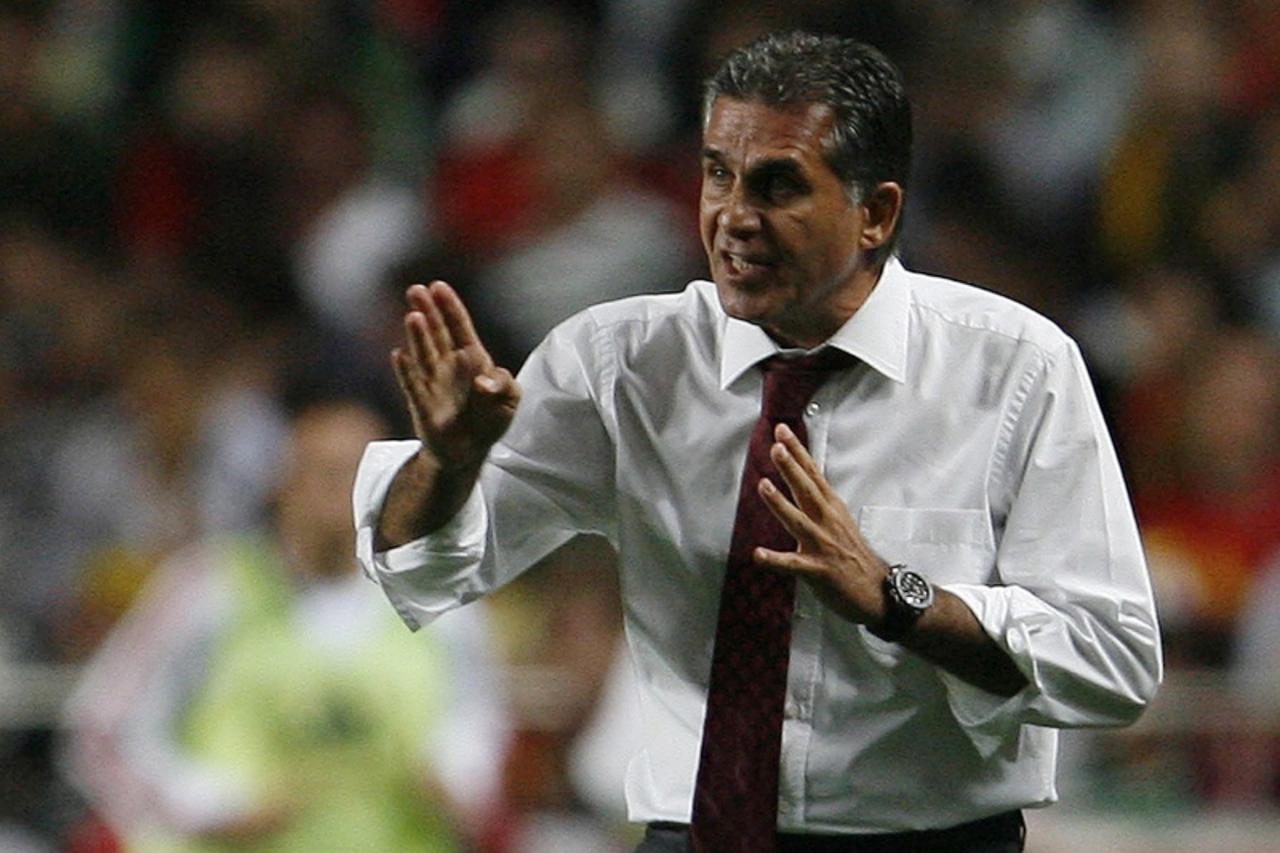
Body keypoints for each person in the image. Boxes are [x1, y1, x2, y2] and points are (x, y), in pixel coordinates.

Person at [354, 31, 1161, 852]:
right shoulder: (619, 365)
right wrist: (446, 466)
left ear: (876, 213)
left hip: (929, 838)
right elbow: (423, 565)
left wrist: (898, 601)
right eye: (717, 174)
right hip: (691, 834)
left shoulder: (1016, 367)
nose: (733, 217)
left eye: (778, 185)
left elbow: (1112, 660)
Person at [64, 396, 510, 852]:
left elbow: (475, 726)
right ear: (282, 483)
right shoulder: (208, 587)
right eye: (325, 472)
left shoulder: (439, 599)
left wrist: (456, 783)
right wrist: (210, 805)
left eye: (362, 473)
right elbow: (104, 730)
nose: (343, 491)